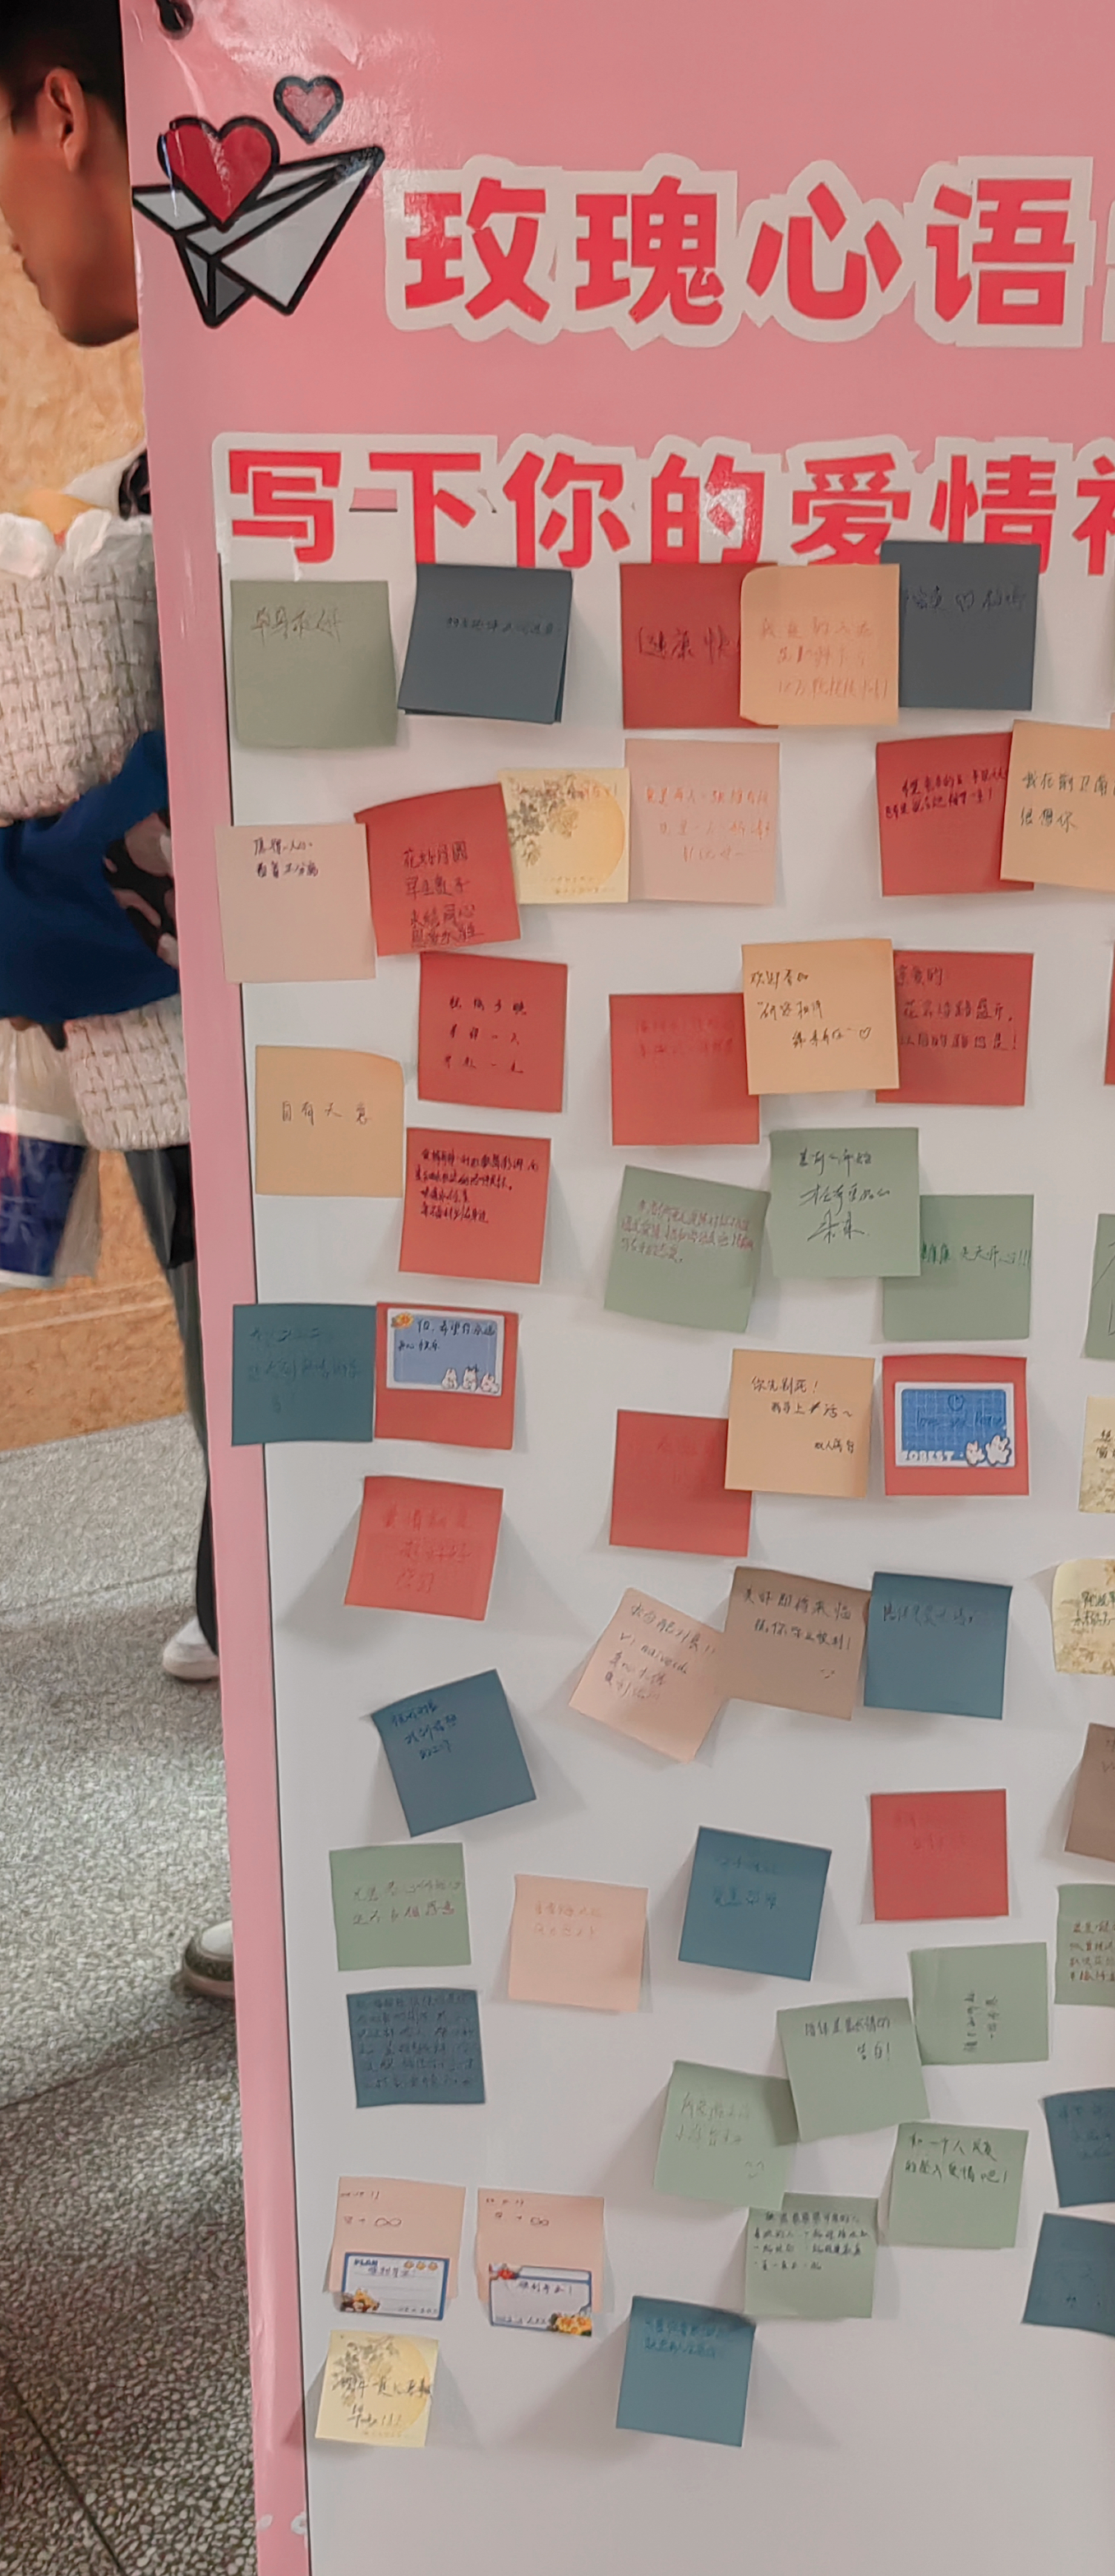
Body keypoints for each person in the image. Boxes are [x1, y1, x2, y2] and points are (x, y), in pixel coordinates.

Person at [0, 0, 231, 2001]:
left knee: (287, 1394)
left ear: (61, 112)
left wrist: (43, 870)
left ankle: (329, 1861)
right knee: (258, 1394)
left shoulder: (246, 418)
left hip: (239, 1024)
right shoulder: (202, 408)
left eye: (3, 180)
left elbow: (187, 796)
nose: (11, 237)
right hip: (178, 1019)